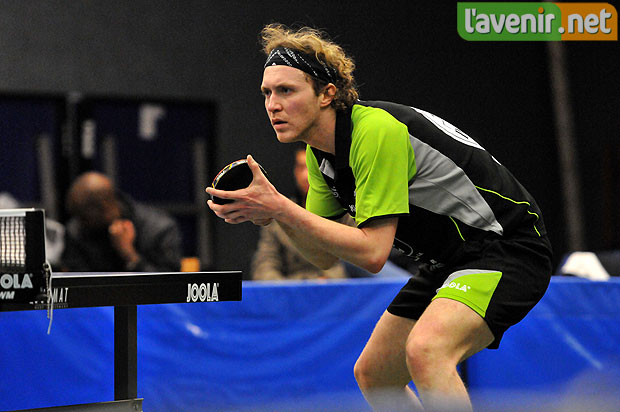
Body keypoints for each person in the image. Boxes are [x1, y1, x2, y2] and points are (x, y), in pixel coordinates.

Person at [206, 24, 552, 412]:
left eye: (286, 90)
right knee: (375, 374)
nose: (273, 104)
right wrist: (273, 216)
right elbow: (321, 256)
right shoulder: (322, 156)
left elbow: (373, 254)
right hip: (449, 262)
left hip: (507, 249)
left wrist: (282, 207)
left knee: (427, 351)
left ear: (327, 94)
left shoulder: (374, 131)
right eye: (267, 93)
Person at [251, 144, 348, 280]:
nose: (305, 175)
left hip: (332, 287)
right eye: (301, 167)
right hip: (289, 286)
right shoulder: (277, 216)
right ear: (295, 172)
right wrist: (288, 289)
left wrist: (328, 282)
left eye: (310, 167)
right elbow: (265, 263)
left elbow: (349, 260)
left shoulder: (342, 211)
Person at [61, 172, 182, 272]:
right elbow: (75, 282)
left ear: (106, 207)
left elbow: (170, 284)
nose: (80, 223)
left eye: (84, 218)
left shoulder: (159, 228)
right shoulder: (75, 231)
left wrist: (130, 255)